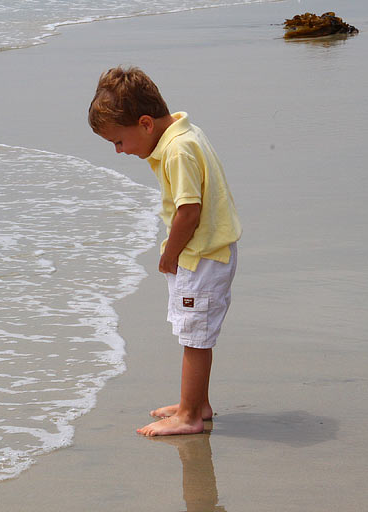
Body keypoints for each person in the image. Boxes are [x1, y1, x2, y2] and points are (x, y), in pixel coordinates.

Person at [88, 66, 242, 436]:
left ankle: (189, 416)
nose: (119, 151)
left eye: (119, 141)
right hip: (206, 252)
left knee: (194, 338)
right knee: (195, 333)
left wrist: (170, 254)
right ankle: (197, 403)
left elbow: (189, 211)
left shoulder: (177, 150)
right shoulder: (185, 133)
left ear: (145, 124)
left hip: (201, 256)